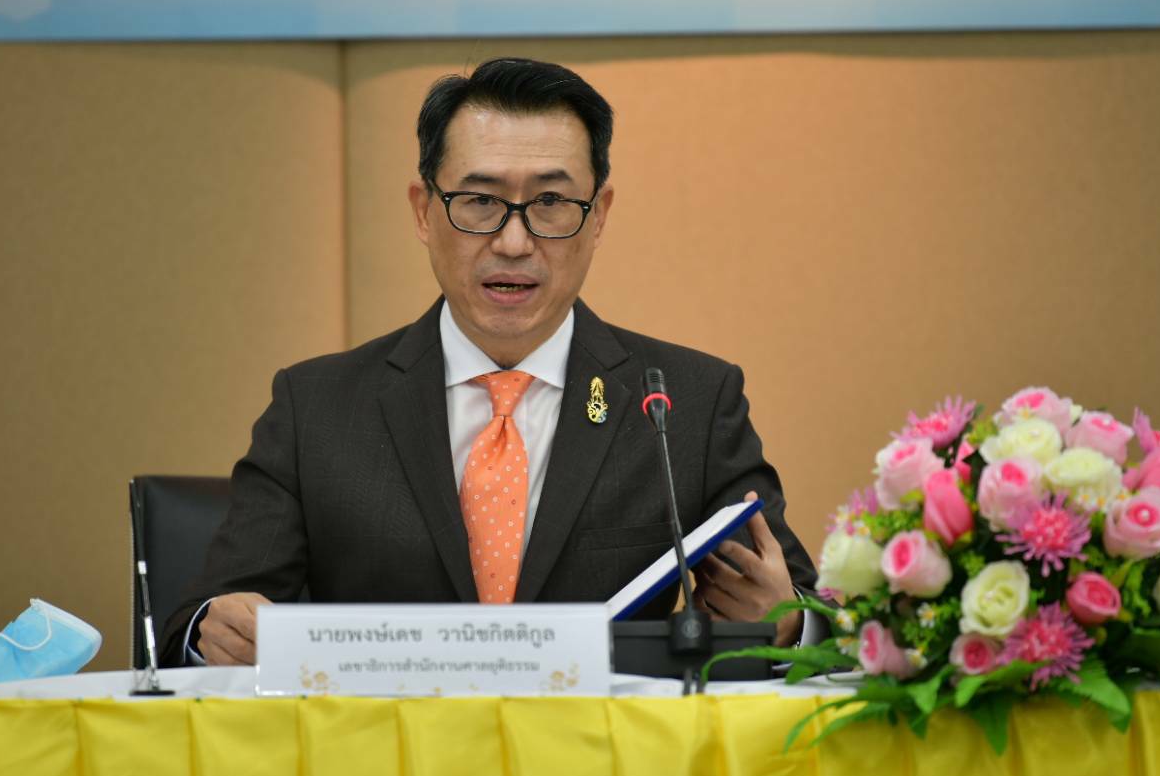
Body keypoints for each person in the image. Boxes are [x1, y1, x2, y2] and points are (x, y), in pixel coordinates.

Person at [159, 57, 817, 667]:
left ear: (598, 217)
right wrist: (215, 632)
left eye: (551, 203)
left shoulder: (686, 402)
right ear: (423, 211)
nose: (513, 241)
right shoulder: (317, 408)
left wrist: (788, 622)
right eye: (479, 201)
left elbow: (814, 615)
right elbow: (199, 620)